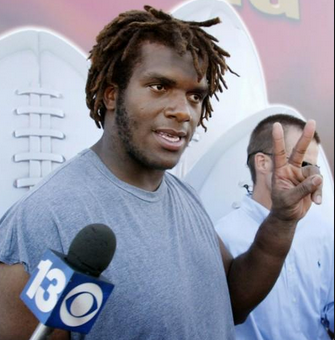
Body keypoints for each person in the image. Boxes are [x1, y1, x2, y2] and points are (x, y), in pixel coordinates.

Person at [0, 7, 323, 340]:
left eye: (195, 96)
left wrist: (281, 221)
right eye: (159, 87)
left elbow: (234, 302)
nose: (182, 111)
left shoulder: (184, 197)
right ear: (112, 94)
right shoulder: (46, 218)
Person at [216, 114, 334, 340]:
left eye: (314, 167)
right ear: (262, 162)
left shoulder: (323, 231)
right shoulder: (224, 236)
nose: (310, 176)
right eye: (304, 164)